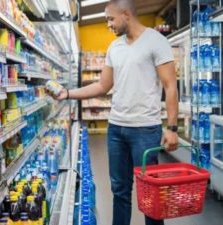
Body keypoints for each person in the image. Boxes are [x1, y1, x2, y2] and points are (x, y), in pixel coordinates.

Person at [49, 0, 178, 224]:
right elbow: (102, 86)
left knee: (150, 192)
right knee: (119, 190)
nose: (108, 24)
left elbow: (170, 86)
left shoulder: (156, 41)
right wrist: (67, 94)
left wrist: (173, 128)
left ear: (126, 14)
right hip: (116, 128)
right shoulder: (114, 47)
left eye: (110, 18)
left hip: (145, 129)